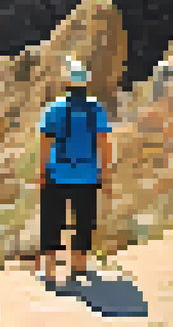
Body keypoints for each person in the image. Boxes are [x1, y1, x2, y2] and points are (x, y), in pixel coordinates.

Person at [34, 56, 112, 287]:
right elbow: (103, 143)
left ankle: (50, 272)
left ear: (67, 83)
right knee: (84, 221)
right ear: (85, 83)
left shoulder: (54, 108)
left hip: (57, 174)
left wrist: (42, 172)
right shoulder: (95, 108)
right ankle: (78, 268)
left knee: (51, 221)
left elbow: (45, 143)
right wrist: (104, 174)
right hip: (87, 175)